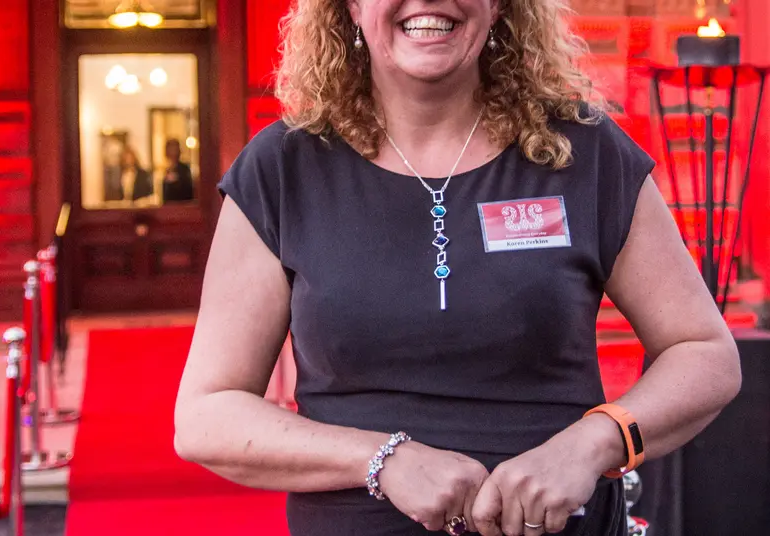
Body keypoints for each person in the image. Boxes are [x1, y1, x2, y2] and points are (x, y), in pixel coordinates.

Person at [174, 1, 741, 535]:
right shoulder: (280, 170)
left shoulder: (584, 152)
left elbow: (704, 353)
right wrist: (383, 459)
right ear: (348, 6)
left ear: (500, 5)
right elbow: (207, 415)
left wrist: (592, 443)